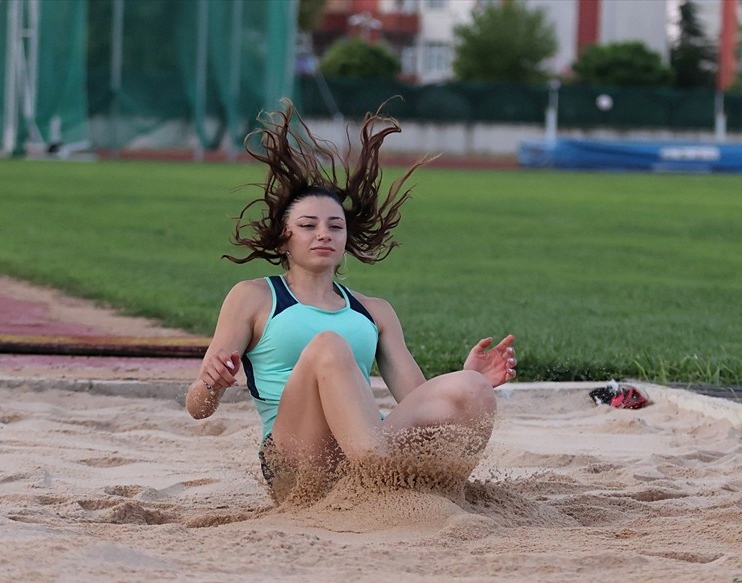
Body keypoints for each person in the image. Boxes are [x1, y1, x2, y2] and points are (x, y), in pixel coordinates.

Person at [185, 101, 516, 499]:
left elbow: (415, 401)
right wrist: (211, 382)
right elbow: (198, 408)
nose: (323, 234)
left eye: (335, 226)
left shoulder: (374, 310)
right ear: (284, 238)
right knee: (328, 345)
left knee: (473, 389)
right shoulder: (254, 296)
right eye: (308, 225)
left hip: (363, 446)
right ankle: (379, 475)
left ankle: (436, 489)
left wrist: (464, 378)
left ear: (346, 240)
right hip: (297, 461)